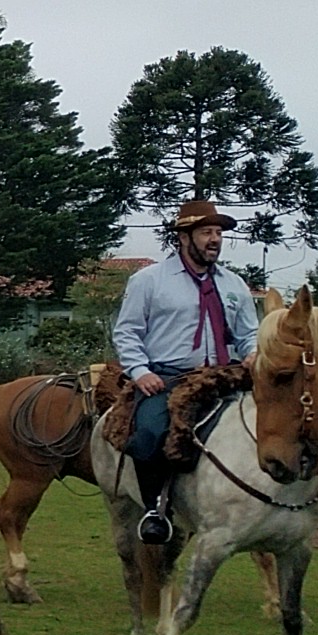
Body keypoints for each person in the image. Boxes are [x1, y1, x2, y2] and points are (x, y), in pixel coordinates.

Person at [112, 199, 258, 544]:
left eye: (218, 232)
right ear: (183, 237)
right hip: (168, 378)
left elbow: (248, 333)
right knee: (150, 433)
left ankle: (296, 502)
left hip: (225, 377)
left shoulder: (235, 284)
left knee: (283, 418)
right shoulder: (149, 281)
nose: (215, 239)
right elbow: (127, 331)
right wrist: (140, 371)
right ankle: (155, 510)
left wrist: (253, 352)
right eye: (206, 232)